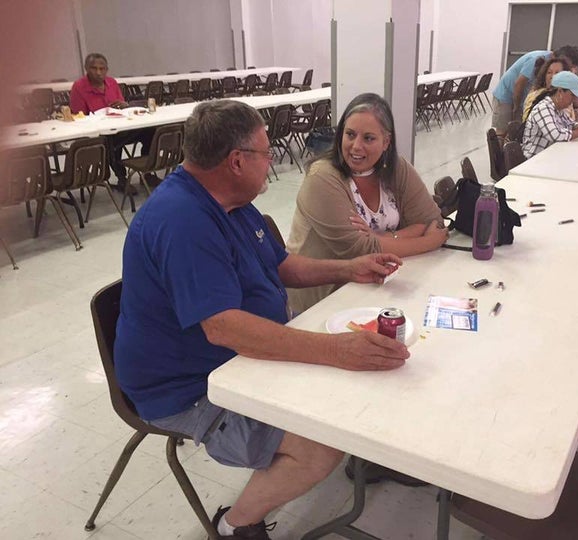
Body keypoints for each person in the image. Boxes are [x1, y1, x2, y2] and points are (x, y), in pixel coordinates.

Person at [114, 100, 410, 540]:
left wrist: (347, 269)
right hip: (190, 387)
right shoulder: (182, 221)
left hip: (236, 358)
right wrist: (336, 351)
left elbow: (280, 264)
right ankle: (237, 522)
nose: (272, 162)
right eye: (266, 153)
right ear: (237, 161)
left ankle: (369, 451)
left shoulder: (231, 200)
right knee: (319, 445)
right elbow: (224, 328)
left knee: (346, 392)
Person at [286, 93, 447, 314]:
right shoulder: (322, 177)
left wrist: (381, 239)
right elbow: (360, 251)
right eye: (350, 134)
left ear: (386, 142)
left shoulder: (396, 168)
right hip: (324, 302)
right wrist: (429, 241)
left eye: (369, 138)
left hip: (377, 287)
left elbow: (432, 220)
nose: (356, 146)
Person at [69, 53, 152, 193]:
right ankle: (121, 178)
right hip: (98, 133)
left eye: (102, 69)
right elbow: (78, 116)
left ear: (107, 69)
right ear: (86, 69)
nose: (98, 72)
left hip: (120, 125)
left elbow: (122, 104)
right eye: (94, 68)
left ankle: (147, 171)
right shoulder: (79, 87)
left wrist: (123, 105)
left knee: (150, 131)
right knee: (111, 141)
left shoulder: (111, 82)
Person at [491, 45, 578, 137]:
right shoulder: (536, 59)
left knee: (515, 132)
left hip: (521, 97)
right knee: (502, 130)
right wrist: (516, 106)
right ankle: (499, 151)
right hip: (505, 94)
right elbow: (519, 83)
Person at [521, 71, 578, 159]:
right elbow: (555, 135)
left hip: (549, 156)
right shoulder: (543, 108)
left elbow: (570, 123)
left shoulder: (558, 108)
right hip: (533, 160)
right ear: (560, 91)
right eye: (572, 95)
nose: (574, 99)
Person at [522, 57, 570, 122]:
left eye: (557, 73)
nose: (552, 76)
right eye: (549, 72)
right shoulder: (535, 96)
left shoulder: (566, 96)